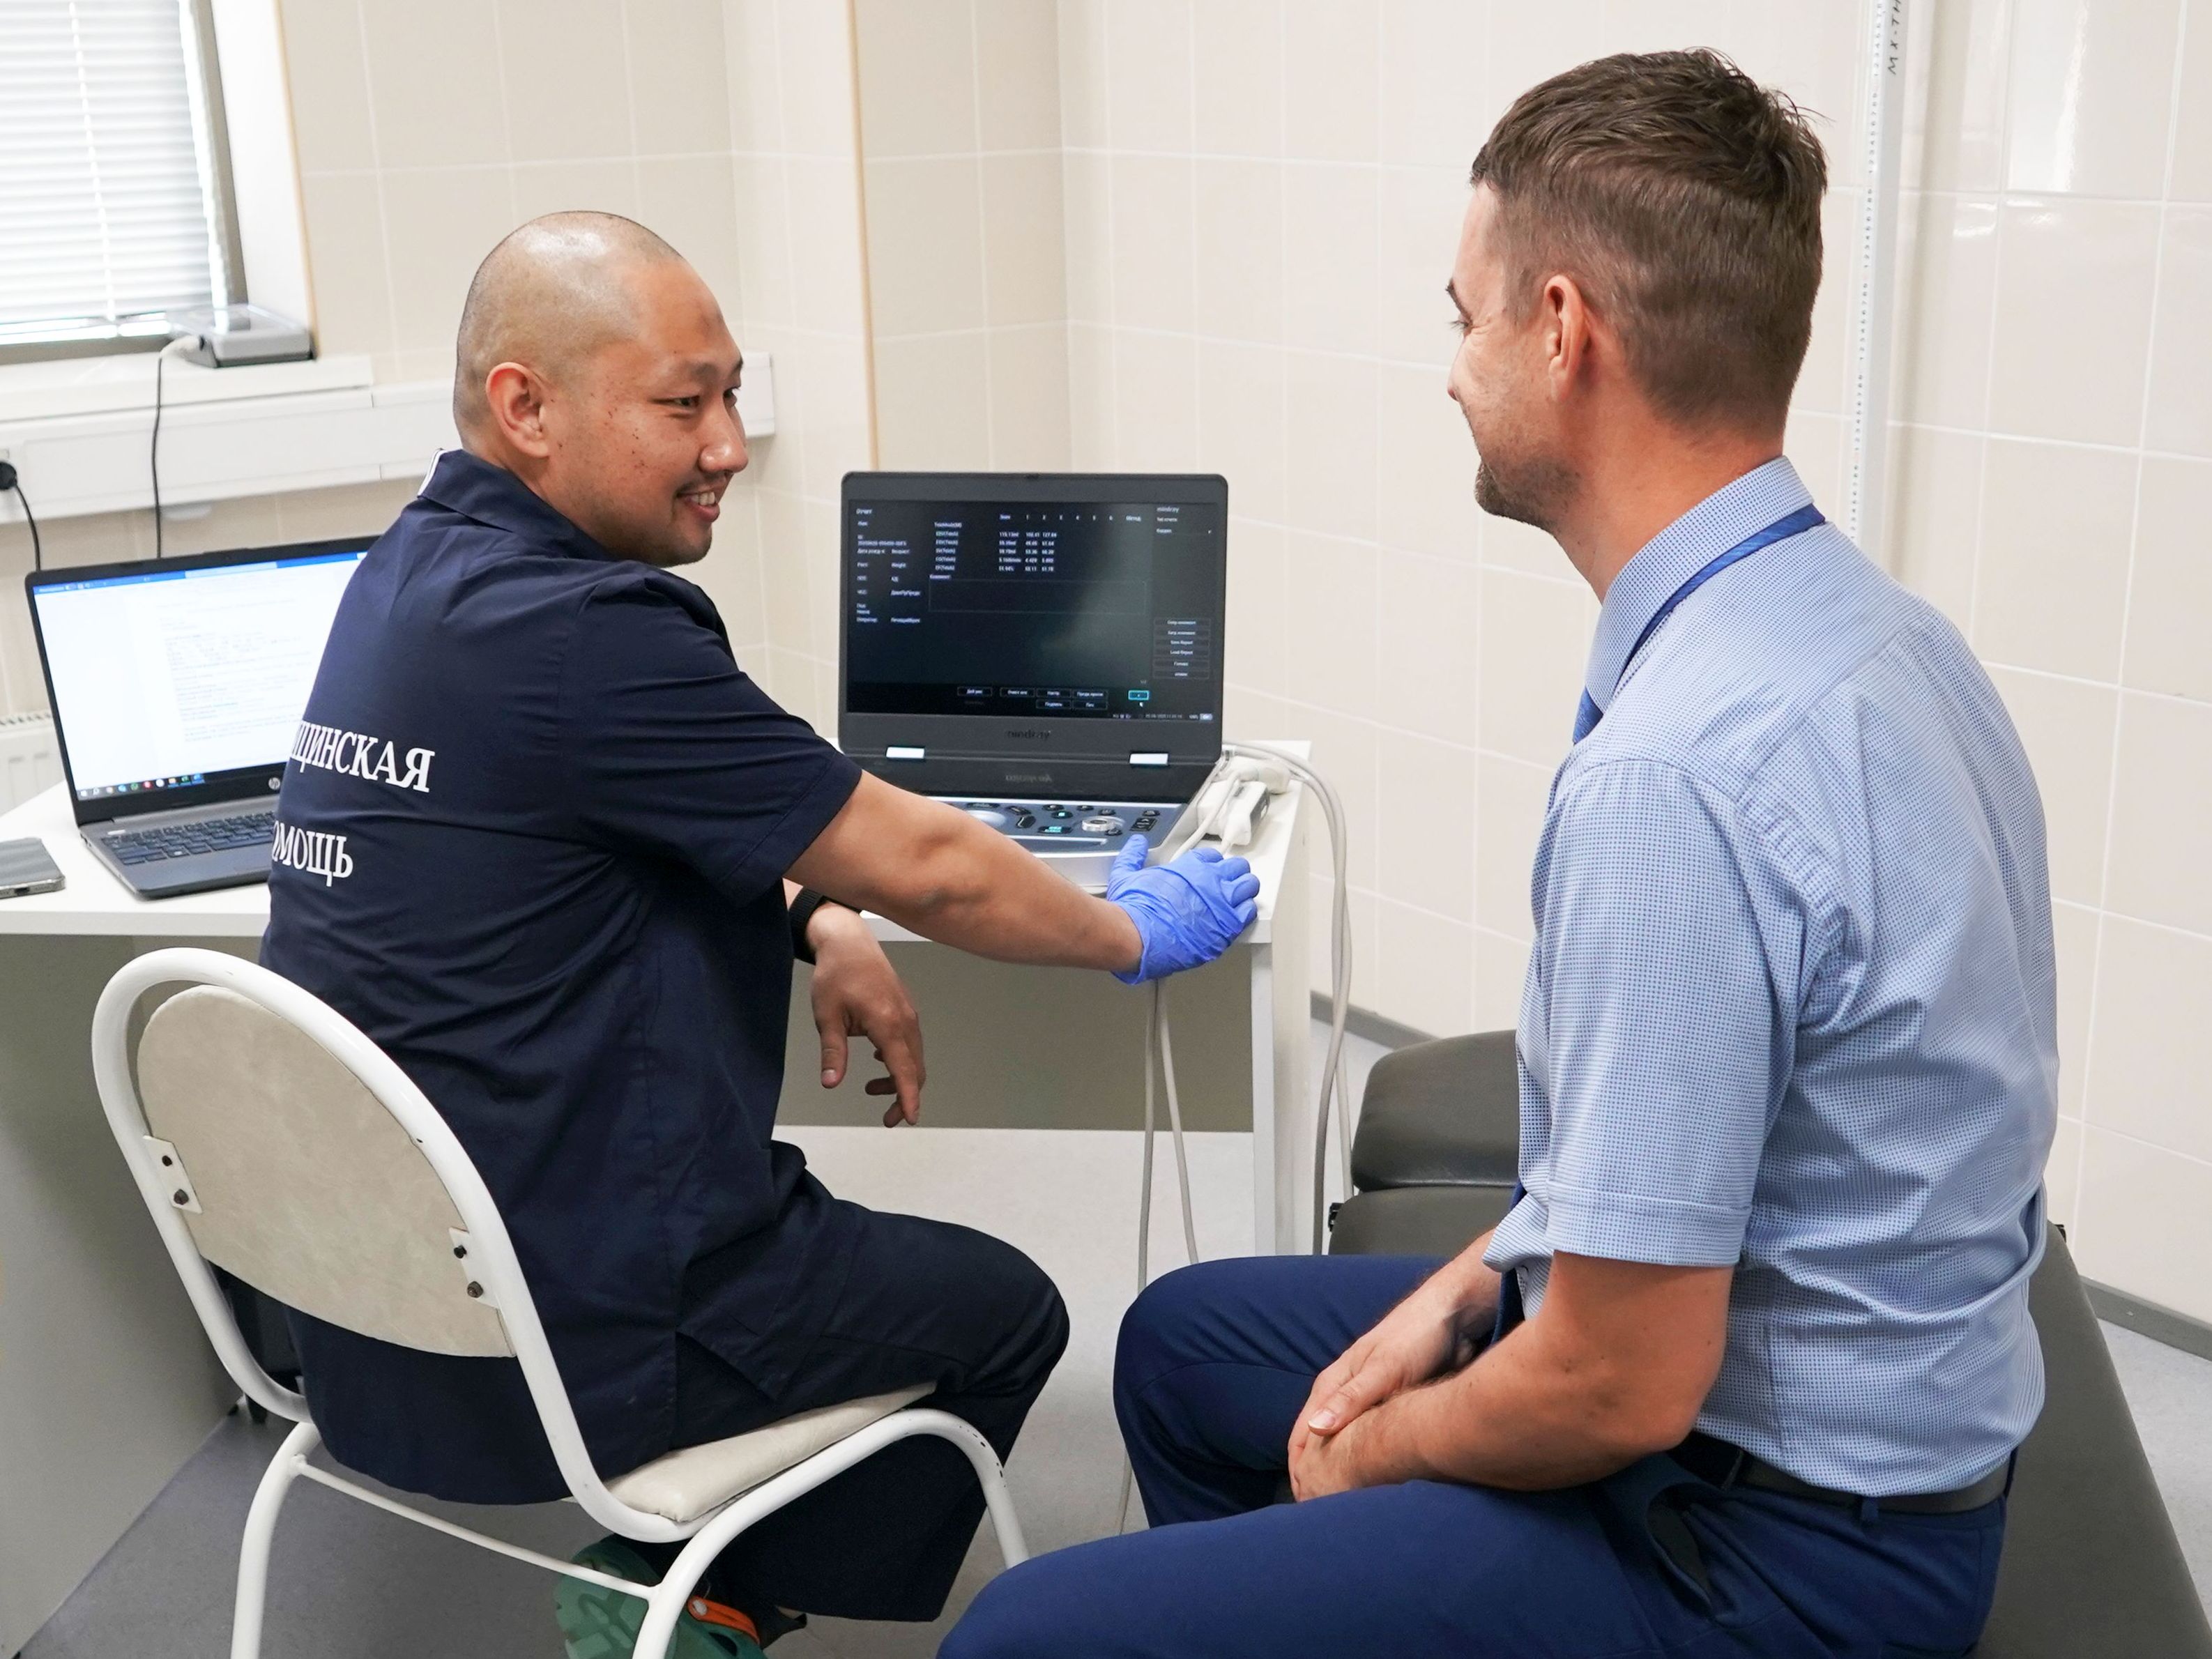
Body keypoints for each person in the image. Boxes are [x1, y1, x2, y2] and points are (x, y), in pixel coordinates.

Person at [943, 49, 2056, 1659]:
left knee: (1019, 1636)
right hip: (1812, 1420)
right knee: (1188, 1346)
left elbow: (1615, 1380)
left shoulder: (1674, 774)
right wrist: (1458, 1291)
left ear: (1560, 327)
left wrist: (1369, 1457)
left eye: (1464, 317)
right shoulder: (1885, 640)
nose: (1453, 371)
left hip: (1779, 1557)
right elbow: (1687, 1167)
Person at [259, 211, 1260, 1659]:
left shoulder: (408, 581)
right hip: (581, 1327)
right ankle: (706, 1598)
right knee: (1004, 1314)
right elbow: (937, 866)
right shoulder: (593, 632)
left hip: (368, 1313)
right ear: (526, 407)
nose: (730, 444)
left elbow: (588, 825)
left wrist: (809, 907)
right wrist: (1122, 928)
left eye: (732, 394)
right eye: (685, 404)